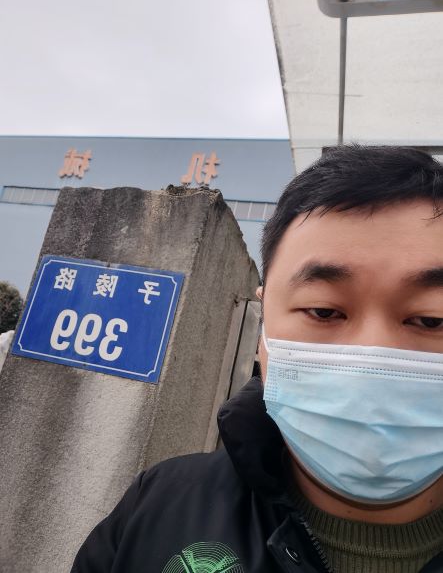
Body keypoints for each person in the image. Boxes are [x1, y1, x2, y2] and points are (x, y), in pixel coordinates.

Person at [71, 145, 443, 573]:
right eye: (323, 311)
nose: (372, 359)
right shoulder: (157, 505)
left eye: (431, 319)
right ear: (262, 324)